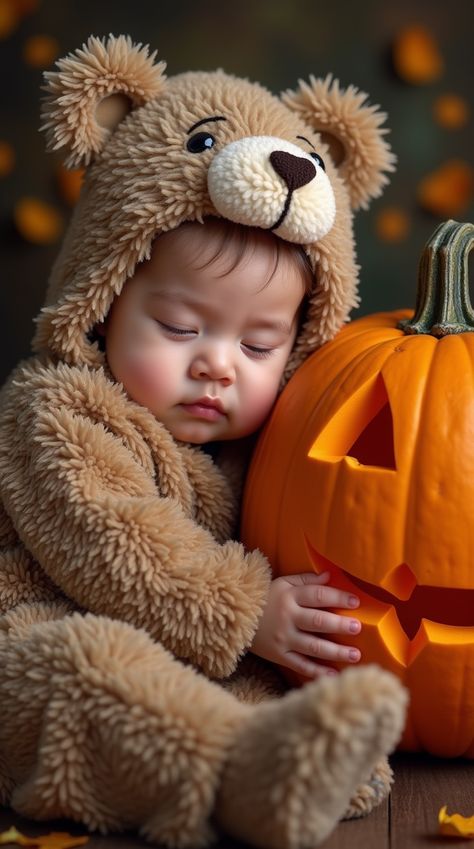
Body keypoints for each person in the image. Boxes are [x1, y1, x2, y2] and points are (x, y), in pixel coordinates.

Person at [0, 36, 407, 849]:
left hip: (205, 656)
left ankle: (272, 759)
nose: (218, 364)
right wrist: (249, 607)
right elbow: (111, 537)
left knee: (262, 685)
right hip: (36, 620)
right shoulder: (60, 410)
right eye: (181, 326)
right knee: (85, 667)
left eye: (260, 347)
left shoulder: (265, 447)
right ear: (106, 295)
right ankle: (222, 771)